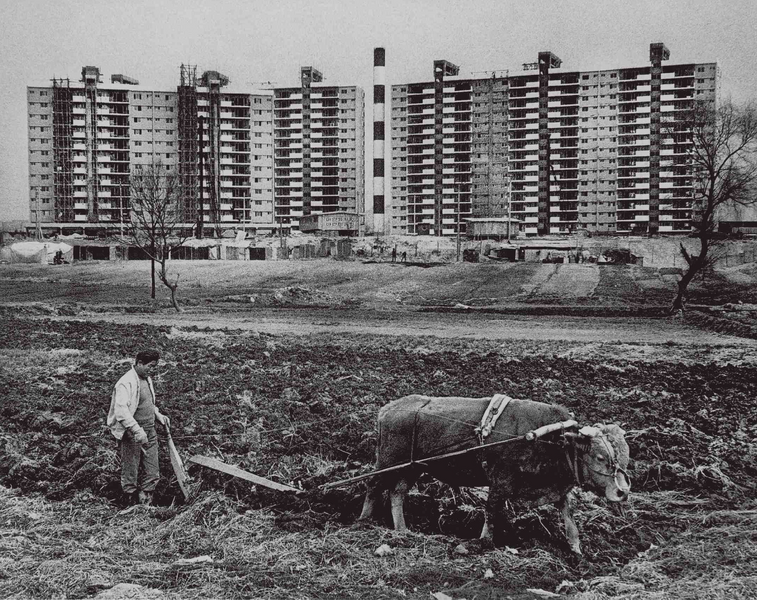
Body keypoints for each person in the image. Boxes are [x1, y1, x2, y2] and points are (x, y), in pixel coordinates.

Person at [107, 350, 170, 506]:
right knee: (130, 470)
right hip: (132, 433)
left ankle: (147, 501)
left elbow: (147, 402)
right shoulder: (125, 382)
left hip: (150, 430)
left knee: (153, 470)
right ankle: (129, 502)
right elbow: (121, 412)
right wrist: (136, 430)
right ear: (139, 363)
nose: (154, 370)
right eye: (151, 366)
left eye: (156, 366)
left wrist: (158, 415)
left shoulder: (146, 379)